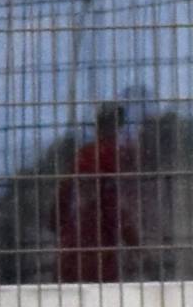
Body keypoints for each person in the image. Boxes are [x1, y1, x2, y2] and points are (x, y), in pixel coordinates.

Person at [56, 101, 141, 283]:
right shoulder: (112, 155)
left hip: (79, 243)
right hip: (96, 245)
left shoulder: (86, 154)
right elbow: (113, 207)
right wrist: (134, 244)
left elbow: (61, 202)